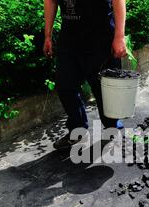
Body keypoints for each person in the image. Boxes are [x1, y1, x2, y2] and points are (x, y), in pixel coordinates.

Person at [43, 0, 128, 149]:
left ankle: (112, 125)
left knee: (104, 88)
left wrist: (119, 36)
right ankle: (77, 131)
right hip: (69, 40)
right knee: (65, 86)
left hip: (101, 39)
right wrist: (47, 35)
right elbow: (50, 1)